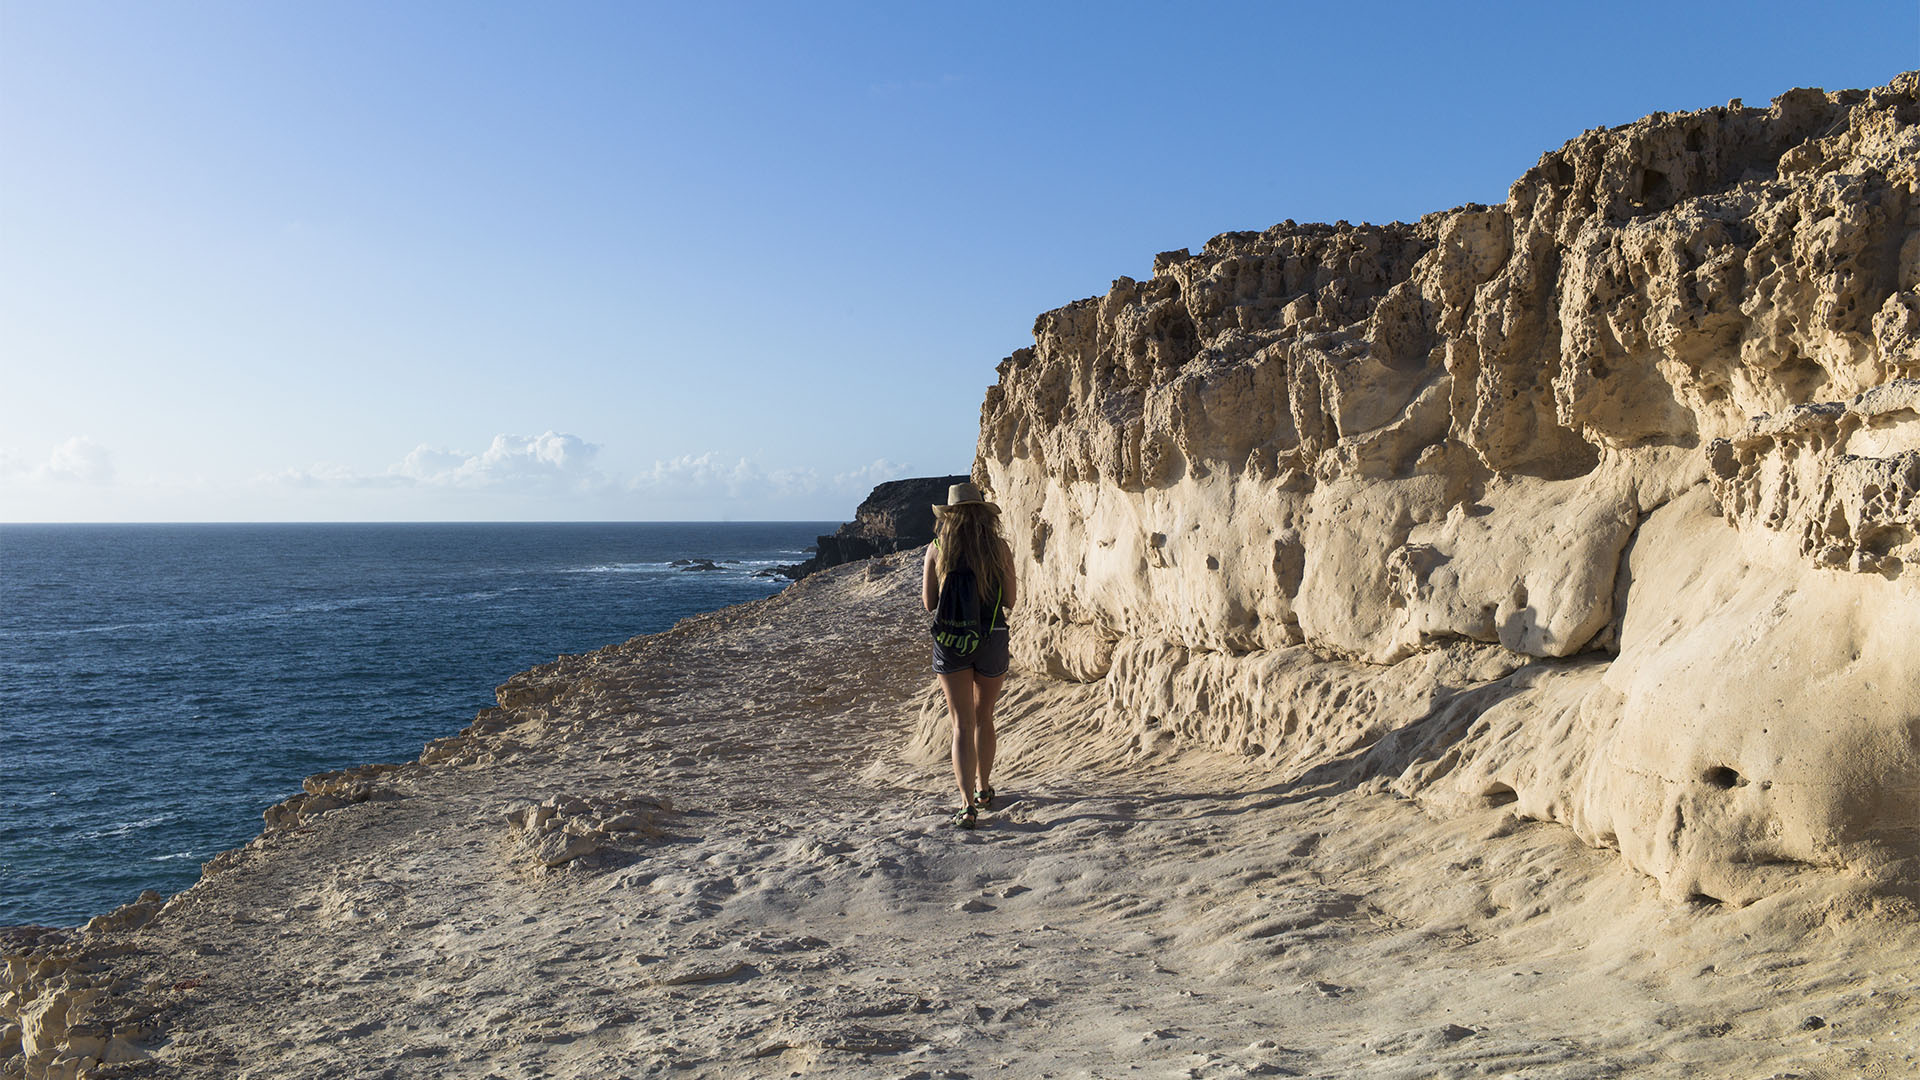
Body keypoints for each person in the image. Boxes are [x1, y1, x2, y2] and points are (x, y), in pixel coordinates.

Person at [922, 481, 1017, 830]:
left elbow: (929, 604)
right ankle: (984, 789)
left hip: (951, 639)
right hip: (991, 636)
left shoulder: (936, 548)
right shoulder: (998, 548)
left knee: (961, 724)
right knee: (984, 717)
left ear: (948, 515)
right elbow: (1010, 600)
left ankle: (966, 806)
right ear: (982, 513)